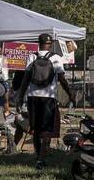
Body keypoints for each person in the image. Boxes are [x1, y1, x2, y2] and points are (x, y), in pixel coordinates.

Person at [17, 33, 73, 171]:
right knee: (47, 129)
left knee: (35, 128)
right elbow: (62, 79)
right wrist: (70, 94)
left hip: (32, 97)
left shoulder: (32, 56)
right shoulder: (55, 58)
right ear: (50, 44)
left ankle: (37, 156)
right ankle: (42, 160)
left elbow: (25, 80)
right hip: (49, 97)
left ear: (38, 43)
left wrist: (20, 97)